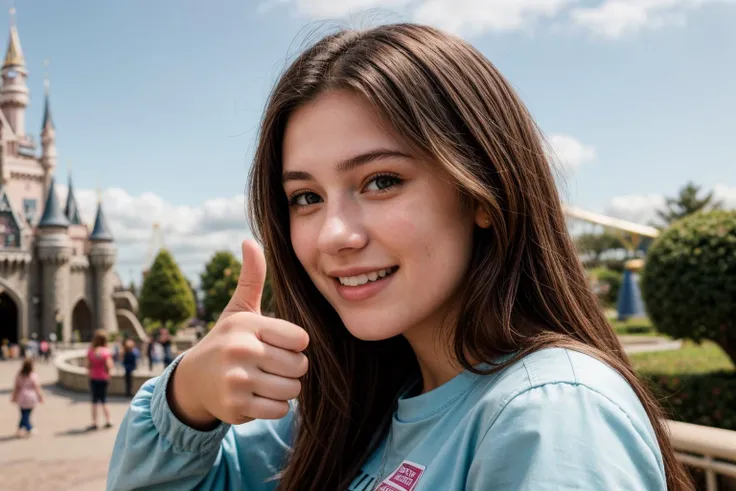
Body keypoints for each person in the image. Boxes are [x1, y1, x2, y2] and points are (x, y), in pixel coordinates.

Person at [107, 23, 693, 491]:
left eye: (381, 181)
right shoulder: (340, 413)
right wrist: (187, 399)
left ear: (480, 192)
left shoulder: (552, 416)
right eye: (305, 197)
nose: (334, 233)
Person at [86, 329, 114, 430]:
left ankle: (94, 422)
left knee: (94, 401)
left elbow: (88, 366)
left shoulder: (91, 351)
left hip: (94, 377)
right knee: (104, 400)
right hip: (104, 378)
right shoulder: (106, 351)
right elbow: (109, 366)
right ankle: (108, 420)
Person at [11, 358, 44, 438]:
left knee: (23, 414)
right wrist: (41, 397)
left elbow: (16, 387)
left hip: (22, 397)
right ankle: (29, 428)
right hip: (31, 397)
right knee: (26, 414)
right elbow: (37, 388)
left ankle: (19, 430)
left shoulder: (19, 375)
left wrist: (14, 397)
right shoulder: (33, 375)